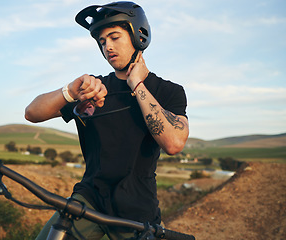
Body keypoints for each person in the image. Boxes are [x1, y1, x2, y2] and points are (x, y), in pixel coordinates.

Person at [25, 2, 189, 239]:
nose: (107, 47)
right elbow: (32, 113)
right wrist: (71, 91)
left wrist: (137, 85)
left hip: (137, 210)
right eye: (102, 42)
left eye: (114, 37)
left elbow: (174, 143)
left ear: (138, 36)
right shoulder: (93, 88)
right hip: (89, 199)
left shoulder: (168, 91)